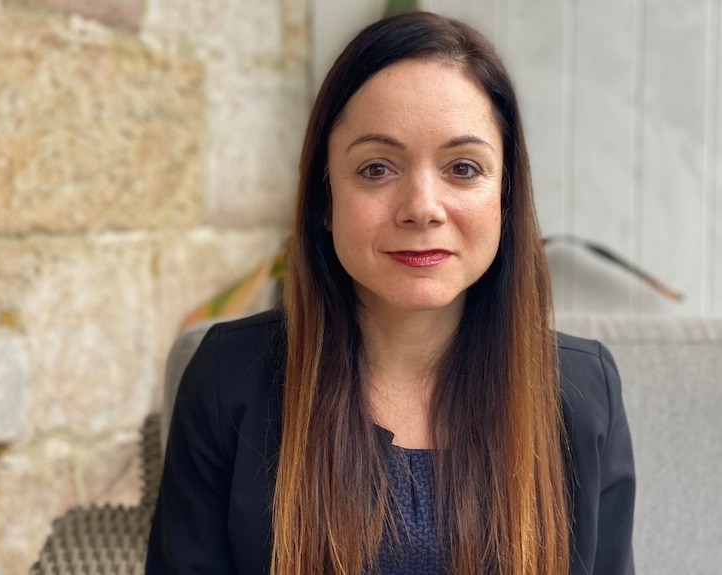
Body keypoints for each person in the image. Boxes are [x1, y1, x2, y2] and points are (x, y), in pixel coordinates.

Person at [146, 11, 635, 575]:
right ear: (325, 198)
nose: (422, 207)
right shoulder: (228, 378)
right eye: (377, 168)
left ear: (505, 197)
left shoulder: (582, 392)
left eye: (463, 167)